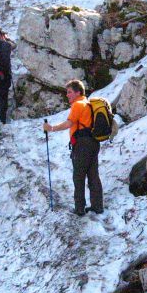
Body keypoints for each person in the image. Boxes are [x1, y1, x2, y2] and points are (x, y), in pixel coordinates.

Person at [43, 79, 104, 216]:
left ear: (78, 92)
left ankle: (79, 208)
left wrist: (51, 128)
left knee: (79, 176)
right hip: (94, 142)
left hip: (82, 144)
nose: (67, 95)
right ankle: (97, 206)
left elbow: (69, 124)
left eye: (70, 92)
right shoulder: (88, 104)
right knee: (93, 175)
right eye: (67, 92)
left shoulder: (78, 105)